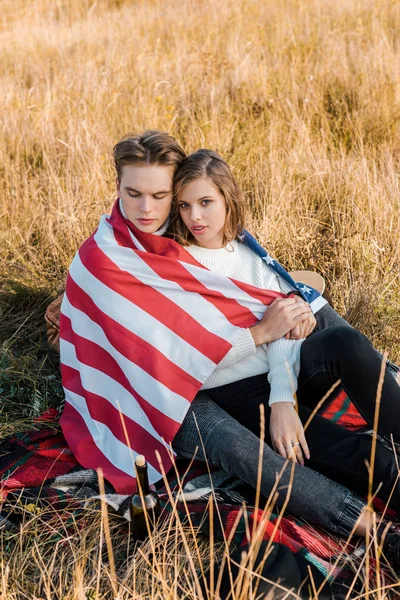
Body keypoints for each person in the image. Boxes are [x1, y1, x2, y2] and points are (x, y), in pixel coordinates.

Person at [60, 131, 400, 573]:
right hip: (172, 396)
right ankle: (374, 530)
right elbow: (160, 363)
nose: (147, 209)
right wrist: (261, 332)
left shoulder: (201, 242)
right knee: (255, 451)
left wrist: (283, 369)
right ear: (116, 186)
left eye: (161, 195)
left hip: (265, 371)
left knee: (332, 331)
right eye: (133, 193)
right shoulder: (108, 260)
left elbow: (262, 295)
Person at [169, 148, 400, 569]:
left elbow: (285, 325)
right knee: (379, 465)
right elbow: (191, 363)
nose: (194, 217)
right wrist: (271, 377)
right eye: (184, 205)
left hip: (281, 376)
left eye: (205, 203)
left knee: (343, 342)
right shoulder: (176, 266)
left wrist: (283, 397)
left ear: (227, 199)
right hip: (233, 392)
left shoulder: (247, 250)